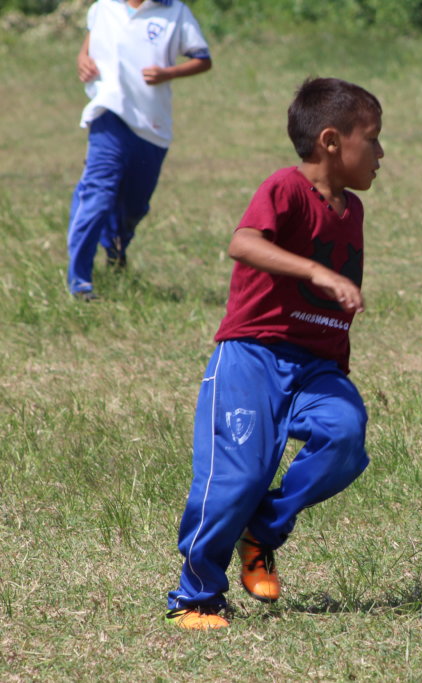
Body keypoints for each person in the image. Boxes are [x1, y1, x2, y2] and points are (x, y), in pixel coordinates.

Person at [165, 78, 384, 630]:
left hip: (316, 367)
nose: (381, 153)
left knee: (345, 437)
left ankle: (261, 531)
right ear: (331, 141)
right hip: (253, 357)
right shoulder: (285, 188)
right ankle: (196, 596)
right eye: (374, 139)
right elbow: (243, 242)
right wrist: (315, 270)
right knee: (235, 479)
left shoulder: (351, 210)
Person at [67, 0, 212, 300]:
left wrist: (168, 73)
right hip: (108, 114)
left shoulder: (175, 11)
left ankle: (115, 249)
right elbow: (90, 43)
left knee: (134, 205)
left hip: (152, 124)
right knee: (98, 193)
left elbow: (203, 58)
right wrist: (83, 58)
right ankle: (79, 281)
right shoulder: (104, 7)